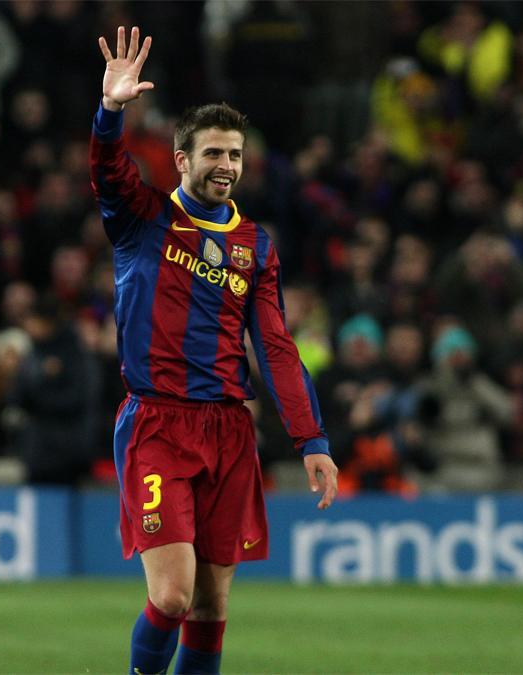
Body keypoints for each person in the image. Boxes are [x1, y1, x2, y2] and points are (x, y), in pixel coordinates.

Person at [90, 27, 338, 673]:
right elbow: (108, 171)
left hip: (229, 430)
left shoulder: (254, 246)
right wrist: (111, 112)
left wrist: (311, 439)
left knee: (209, 604)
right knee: (170, 593)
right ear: (182, 158)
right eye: (213, 153)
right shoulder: (143, 220)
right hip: (158, 424)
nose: (226, 165)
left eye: (235, 154)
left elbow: (276, 347)